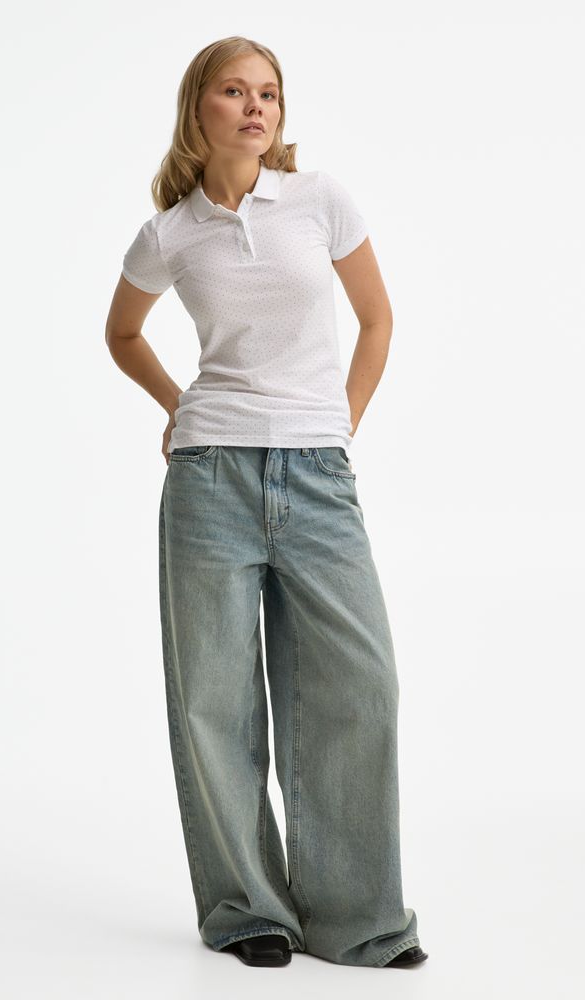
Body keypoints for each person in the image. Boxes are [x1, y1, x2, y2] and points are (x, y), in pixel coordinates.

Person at [105, 35, 428, 971]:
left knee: (361, 685)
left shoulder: (319, 199)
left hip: (318, 474)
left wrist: (341, 420)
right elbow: (122, 333)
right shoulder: (169, 233)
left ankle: (357, 918)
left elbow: (378, 318)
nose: (257, 107)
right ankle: (248, 908)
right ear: (198, 107)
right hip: (210, 474)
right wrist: (177, 407)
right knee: (215, 699)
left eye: (270, 94)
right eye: (236, 91)